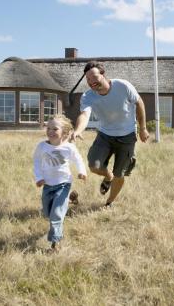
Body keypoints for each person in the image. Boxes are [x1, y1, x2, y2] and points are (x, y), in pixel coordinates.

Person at [72, 61, 149, 207]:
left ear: (103, 74)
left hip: (127, 136)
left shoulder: (123, 86)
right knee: (94, 165)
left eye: (94, 77)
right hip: (105, 135)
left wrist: (143, 128)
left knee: (120, 174)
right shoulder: (87, 96)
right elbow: (84, 115)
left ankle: (109, 202)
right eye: (87, 79)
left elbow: (139, 103)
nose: (91, 82)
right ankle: (108, 177)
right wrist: (78, 130)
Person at [33, 114, 87, 251]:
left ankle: (54, 243)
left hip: (63, 184)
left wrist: (82, 171)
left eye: (55, 129)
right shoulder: (42, 146)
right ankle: (69, 200)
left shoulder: (69, 147)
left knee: (56, 215)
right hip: (47, 185)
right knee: (47, 212)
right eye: (48, 128)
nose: (50, 131)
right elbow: (37, 162)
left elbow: (78, 160)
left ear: (65, 133)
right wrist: (39, 177)